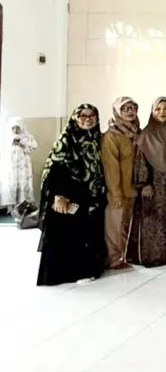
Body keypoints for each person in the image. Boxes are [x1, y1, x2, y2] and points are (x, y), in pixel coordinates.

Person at [36, 105, 106, 286]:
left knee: (86, 235)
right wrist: (58, 195)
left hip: (90, 196)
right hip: (68, 195)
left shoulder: (98, 139)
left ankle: (87, 270)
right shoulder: (66, 139)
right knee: (66, 236)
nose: (88, 119)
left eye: (92, 116)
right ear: (75, 118)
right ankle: (64, 275)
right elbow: (54, 168)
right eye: (83, 115)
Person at [128, 97, 166, 267]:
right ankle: (149, 256)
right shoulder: (145, 135)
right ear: (152, 111)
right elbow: (139, 161)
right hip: (153, 184)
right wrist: (144, 184)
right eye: (158, 109)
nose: (162, 112)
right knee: (152, 221)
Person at [102, 96, 140, 269]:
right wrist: (115, 192)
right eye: (125, 109)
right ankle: (114, 259)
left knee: (125, 226)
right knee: (115, 227)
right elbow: (111, 167)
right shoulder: (111, 136)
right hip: (117, 190)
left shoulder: (136, 132)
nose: (130, 112)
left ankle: (123, 257)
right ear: (116, 112)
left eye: (133, 108)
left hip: (132, 189)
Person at [0, 117, 38, 209]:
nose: (15, 130)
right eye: (13, 128)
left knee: (23, 183)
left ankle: (22, 208)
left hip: (23, 166)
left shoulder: (27, 136)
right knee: (12, 184)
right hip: (11, 166)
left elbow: (34, 146)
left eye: (17, 127)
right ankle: (11, 208)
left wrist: (22, 144)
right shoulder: (7, 137)